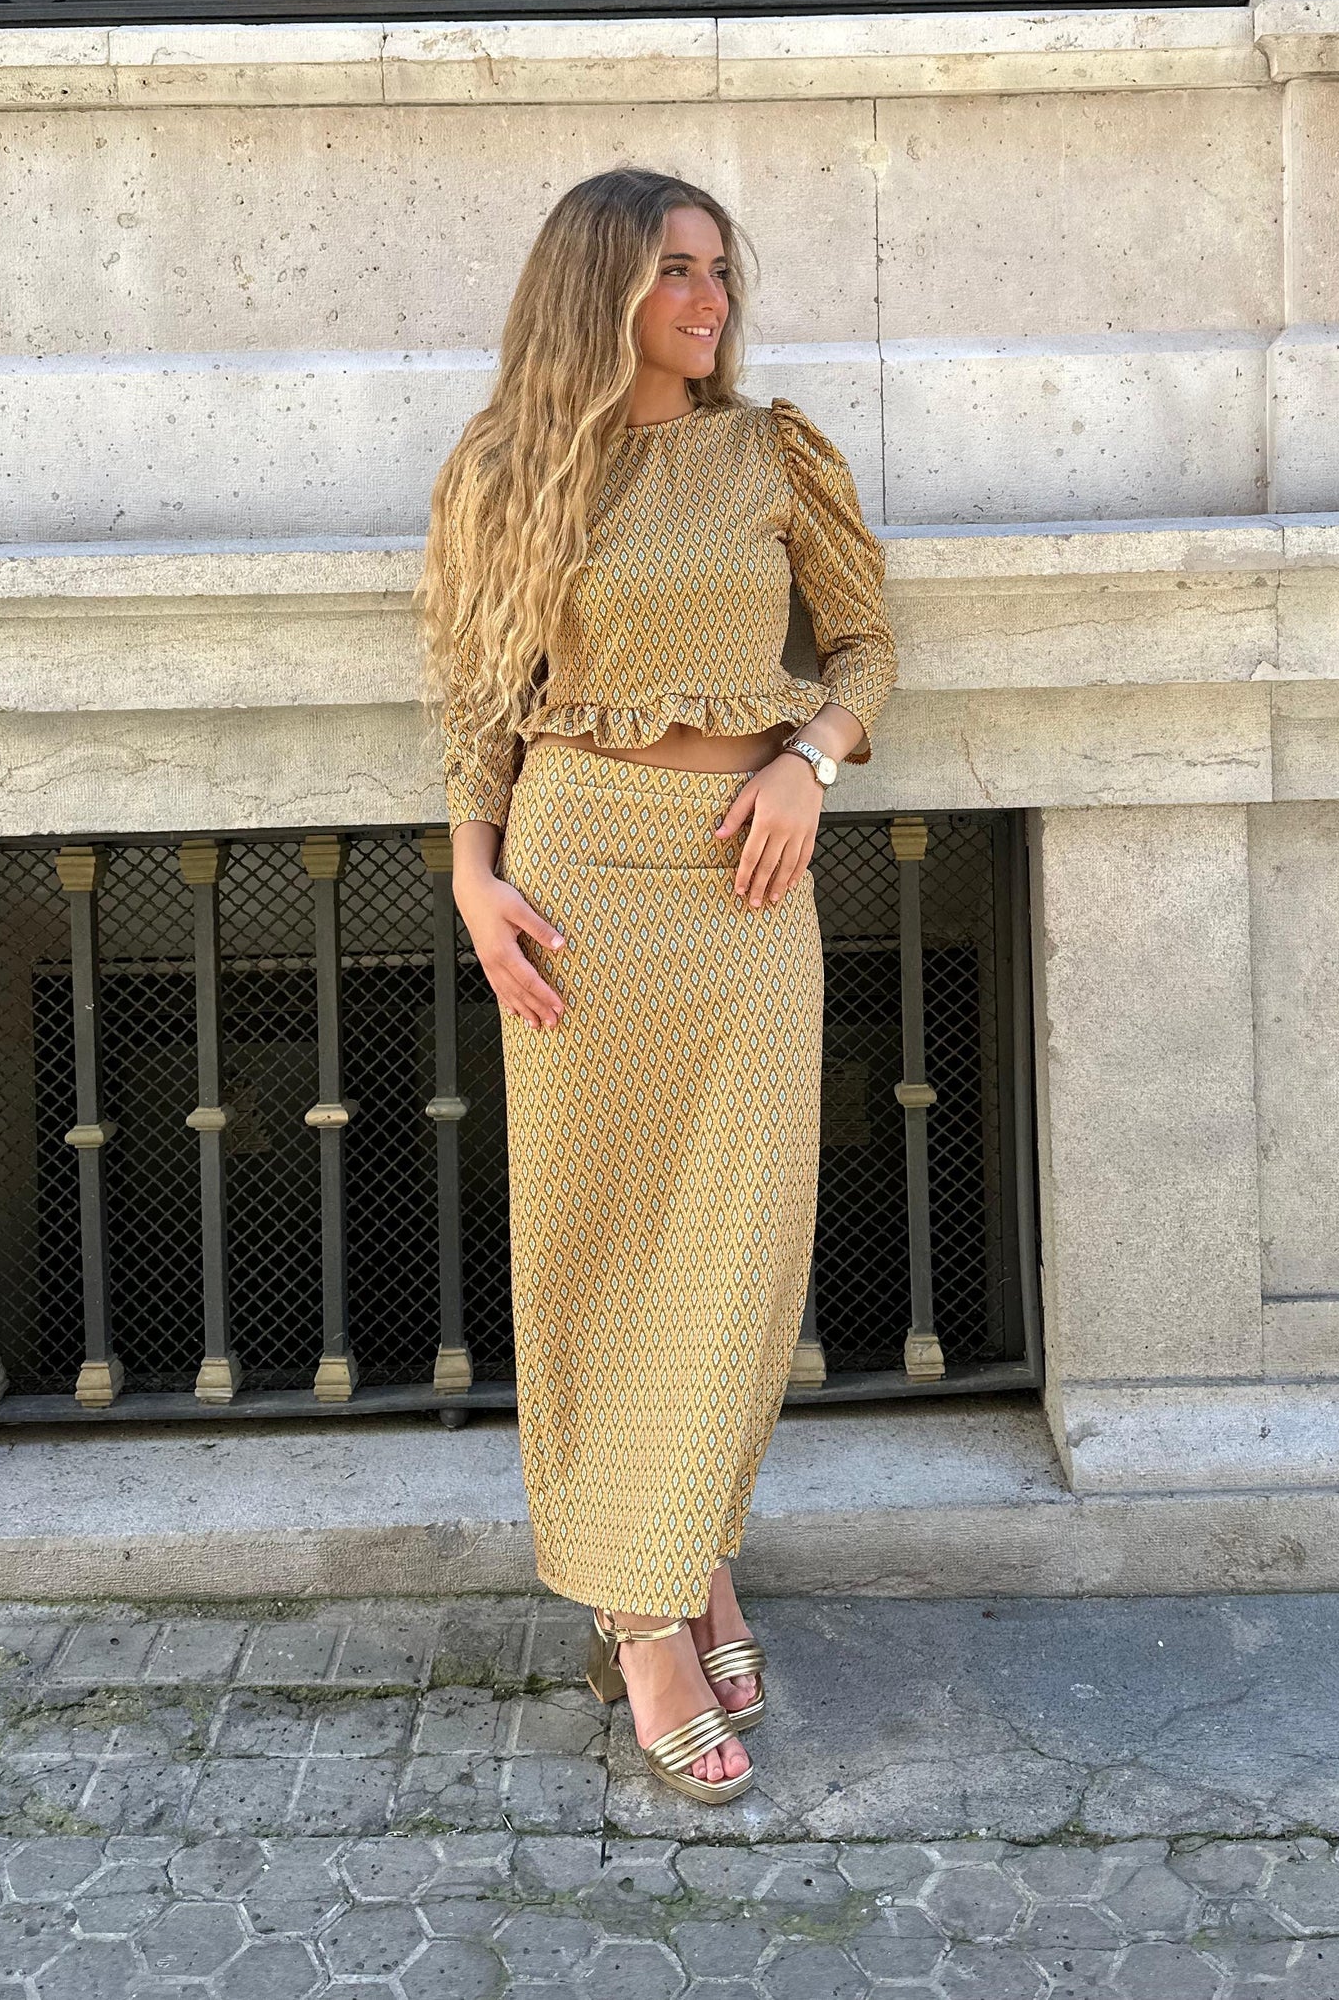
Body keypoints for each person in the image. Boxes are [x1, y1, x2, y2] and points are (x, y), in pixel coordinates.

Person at [419, 167, 895, 1804]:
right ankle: (642, 1612)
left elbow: (865, 645)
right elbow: (474, 695)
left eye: (717, 271)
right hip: (577, 882)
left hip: (744, 877)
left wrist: (808, 765)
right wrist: (474, 874)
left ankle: (687, 1547)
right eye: (674, 272)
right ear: (599, 290)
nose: (709, 300)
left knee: (735, 1249)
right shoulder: (508, 466)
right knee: (601, 1243)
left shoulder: (770, 452)